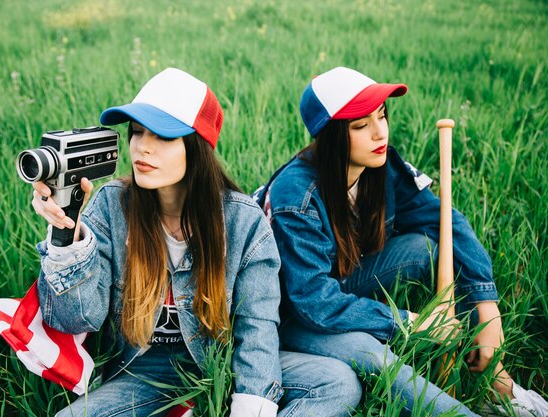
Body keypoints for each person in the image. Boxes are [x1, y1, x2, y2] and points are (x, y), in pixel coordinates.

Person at [31, 68, 362, 417]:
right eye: (137, 132)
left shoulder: (242, 221)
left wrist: (250, 407)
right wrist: (65, 237)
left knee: (336, 382)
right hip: (144, 372)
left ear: (197, 146)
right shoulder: (112, 205)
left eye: (162, 136)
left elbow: (257, 327)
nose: (142, 146)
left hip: (223, 359)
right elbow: (77, 319)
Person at [255, 66, 548, 417]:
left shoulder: (381, 165)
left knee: (427, 249)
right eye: (361, 126)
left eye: (381, 116)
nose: (380, 132)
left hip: (341, 283)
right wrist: (409, 322)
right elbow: (313, 302)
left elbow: (445, 222)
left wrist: (487, 304)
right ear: (331, 137)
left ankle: (495, 382)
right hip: (289, 312)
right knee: (370, 353)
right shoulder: (295, 194)